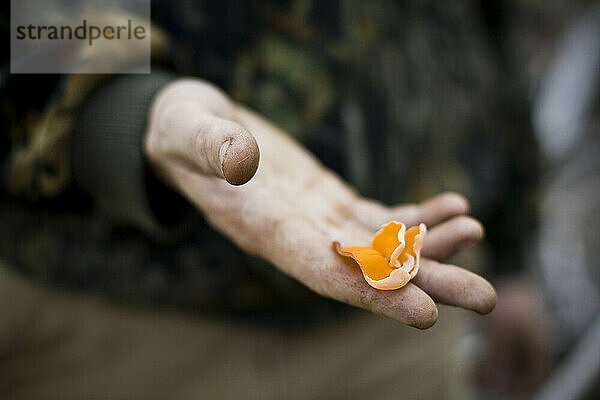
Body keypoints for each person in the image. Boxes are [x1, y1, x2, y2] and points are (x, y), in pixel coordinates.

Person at [2, 1, 555, 398]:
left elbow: (486, 27)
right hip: (111, 313)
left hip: (397, 331)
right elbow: (17, 26)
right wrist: (121, 109)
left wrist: (512, 245)